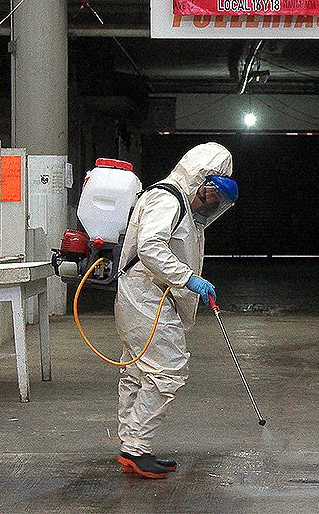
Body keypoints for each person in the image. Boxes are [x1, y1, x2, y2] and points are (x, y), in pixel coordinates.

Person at [115, 142, 237, 479]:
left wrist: (187, 283)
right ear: (200, 178)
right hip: (146, 296)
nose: (210, 203)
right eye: (210, 194)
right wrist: (189, 279)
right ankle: (136, 446)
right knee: (167, 370)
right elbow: (150, 246)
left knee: (139, 373)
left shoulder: (184, 206)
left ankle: (132, 446)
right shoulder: (166, 199)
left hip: (153, 296)